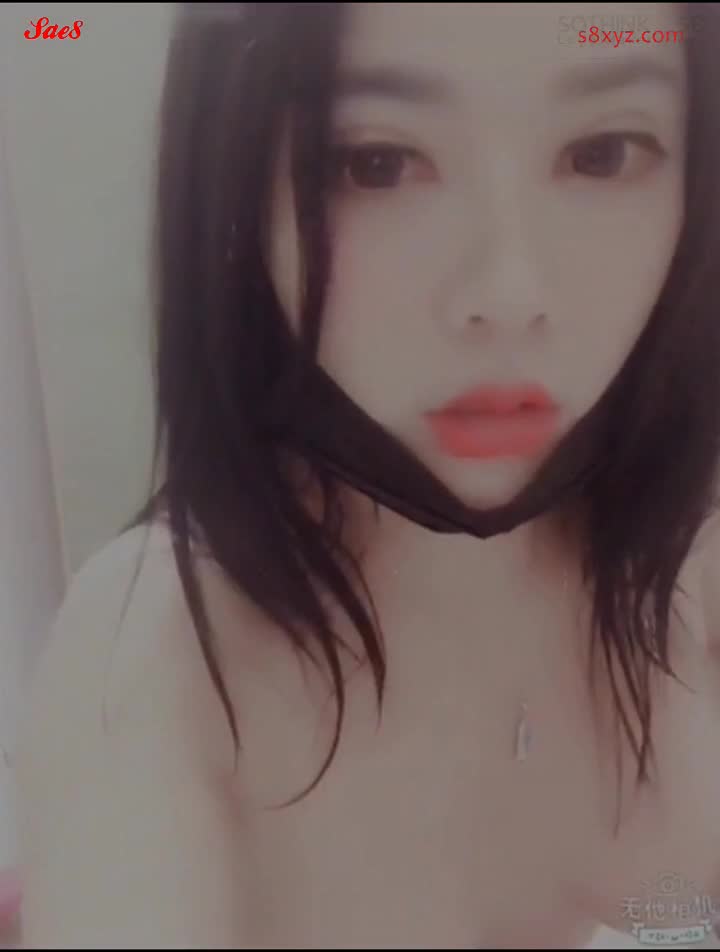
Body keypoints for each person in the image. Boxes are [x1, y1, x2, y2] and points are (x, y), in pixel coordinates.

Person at [15, 2, 720, 947]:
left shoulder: (686, 560)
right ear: (233, 188)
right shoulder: (160, 661)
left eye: (601, 153)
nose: (509, 294)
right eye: (375, 164)